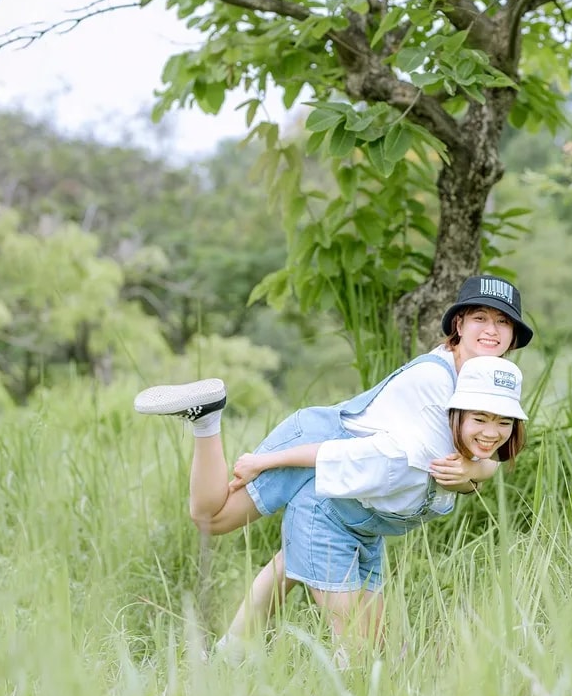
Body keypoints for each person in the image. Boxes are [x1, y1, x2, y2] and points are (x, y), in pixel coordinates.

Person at [134, 275, 533, 653]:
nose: (492, 331)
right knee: (212, 518)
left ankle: (228, 655)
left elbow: (483, 458)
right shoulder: (435, 382)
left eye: (503, 322)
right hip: (325, 445)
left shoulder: (491, 382)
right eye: (480, 318)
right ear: (459, 324)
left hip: (354, 476)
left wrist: (475, 470)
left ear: (514, 335)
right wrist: (262, 462)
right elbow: (449, 474)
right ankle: (207, 419)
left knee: (294, 558)